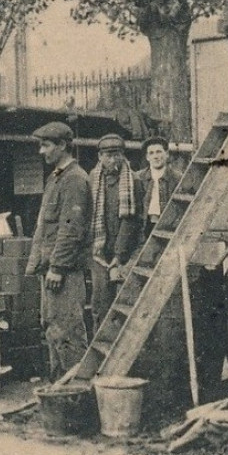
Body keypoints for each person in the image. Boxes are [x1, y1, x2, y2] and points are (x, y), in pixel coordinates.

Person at [25, 121, 92, 377]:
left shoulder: (74, 180)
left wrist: (58, 267)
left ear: (63, 146)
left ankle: (76, 391)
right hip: (52, 269)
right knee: (52, 327)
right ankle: (58, 390)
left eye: (46, 145)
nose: (42, 151)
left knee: (68, 331)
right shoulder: (56, 178)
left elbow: (71, 229)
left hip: (64, 272)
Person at [88, 134, 142, 321]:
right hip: (99, 252)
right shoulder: (92, 179)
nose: (112, 160)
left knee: (125, 302)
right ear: (100, 157)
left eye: (116, 155)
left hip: (125, 251)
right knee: (101, 302)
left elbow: (132, 221)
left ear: (122, 155)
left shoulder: (133, 180)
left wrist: (119, 256)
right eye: (107, 155)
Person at [140, 136, 181, 234]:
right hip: (146, 224)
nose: (155, 156)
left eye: (159, 152)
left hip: (169, 226)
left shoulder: (177, 177)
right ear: (147, 157)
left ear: (166, 154)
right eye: (151, 153)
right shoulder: (140, 177)